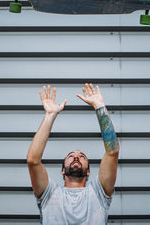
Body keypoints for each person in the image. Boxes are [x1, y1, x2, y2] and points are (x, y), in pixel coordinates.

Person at [27, 83, 119, 225]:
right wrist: (50, 115)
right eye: (71, 156)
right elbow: (33, 161)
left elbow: (112, 152)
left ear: (88, 172)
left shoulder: (99, 193)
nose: (76, 157)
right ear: (63, 170)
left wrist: (99, 106)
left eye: (82, 157)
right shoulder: (49, 194)